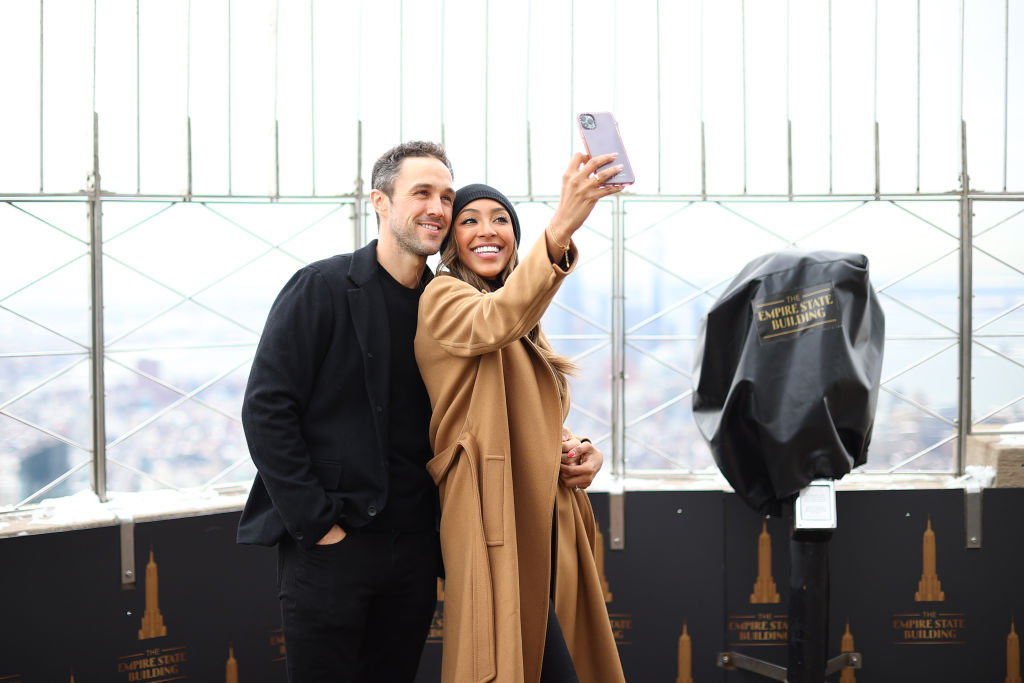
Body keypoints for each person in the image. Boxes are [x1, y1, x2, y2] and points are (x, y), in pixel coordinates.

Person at [236, 141, 456, 682]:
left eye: (447, 197)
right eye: (422, 193)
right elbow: (266, 408)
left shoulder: (450, 305)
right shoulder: (323, 287)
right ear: (380, 202)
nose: (438, 208)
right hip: (333, 547)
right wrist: (319, 524)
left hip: (417, 549)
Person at [414, 153, 628, 683]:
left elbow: (528, 411)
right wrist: (561, 227)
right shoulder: (445, 296)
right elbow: (493, 322)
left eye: (501, 220)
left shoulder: (519, 316)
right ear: (449, 243)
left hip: (541, 513)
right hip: (494, 514)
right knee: (515, 658)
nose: (488, 231)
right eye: (469, 221)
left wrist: (577, 446)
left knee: (544, 656)